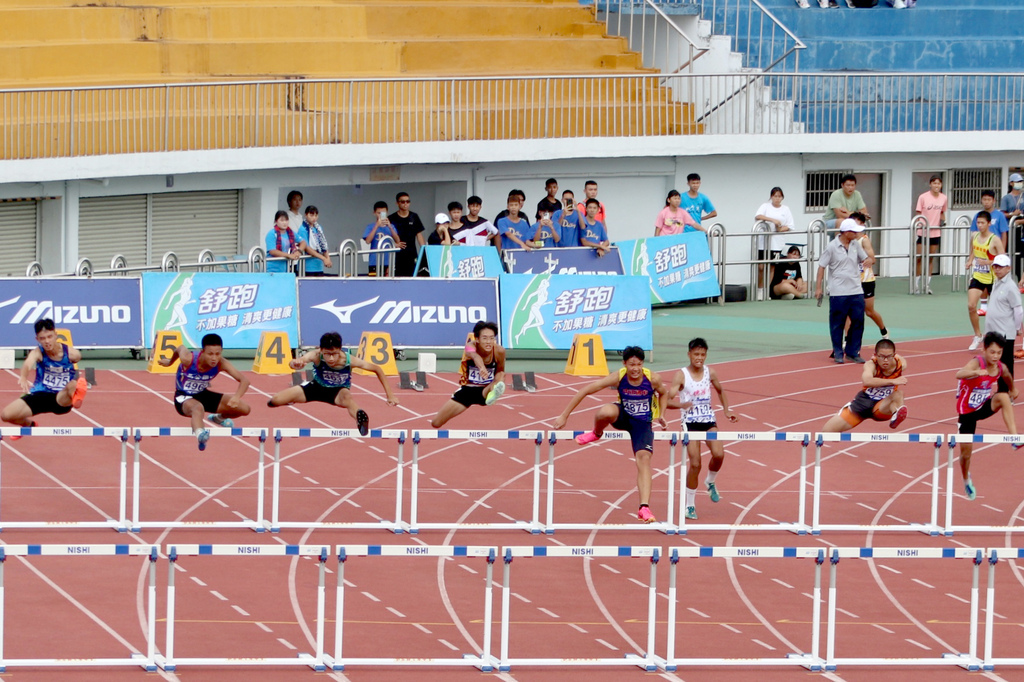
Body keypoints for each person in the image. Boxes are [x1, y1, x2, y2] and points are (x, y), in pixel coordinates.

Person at [552, 346, 668, 524]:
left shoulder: (652, 378)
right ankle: (596, 433)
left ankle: (643, 507)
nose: (635, 369)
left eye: (638, 364)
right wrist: (564, 415)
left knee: (644, 459)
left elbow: (664, 393)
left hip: (642, 423)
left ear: (642, 364)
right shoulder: (619, 376)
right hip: (622, 416)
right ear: (624, 364)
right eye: (631, 364)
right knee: (604, 412)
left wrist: (661, 414)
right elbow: (586, 390)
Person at [267, 332, 398, 436]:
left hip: (338, 392)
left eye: (334, 354)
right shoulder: (316, 355)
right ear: (321, 350)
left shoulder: (349, 360)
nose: (330, 358)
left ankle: (360, 417)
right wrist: (296, 363)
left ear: (340, 350)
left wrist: (390, 395)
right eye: (327, 354)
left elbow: (377, 369)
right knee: (274, 401)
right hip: (315, 388)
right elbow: (299, 360)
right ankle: (290, 400)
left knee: (347, 397)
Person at [666, 337, 737, 521]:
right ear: (689, 354)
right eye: (696, 354)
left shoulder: (710, 373)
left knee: (719, 454)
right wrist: (681, 406)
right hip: (689, 423)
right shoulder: (681, 375)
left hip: (708, 420)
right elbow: (667, 399)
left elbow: (720, 390)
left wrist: (727, 410)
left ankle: (710, 481)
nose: (699, 357)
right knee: (695, 463)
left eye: (703, 354)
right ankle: (689, 505)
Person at [955, 331, 1023, 501]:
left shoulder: (1000, 367)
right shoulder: (976, 362)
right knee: (965, 455)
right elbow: (959, 374)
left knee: (1003, 397)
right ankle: (966, 480)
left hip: (983, 406)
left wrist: (1013, 389)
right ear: (984, 349)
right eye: (992, 352)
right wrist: (976, 373)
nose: (995, 356)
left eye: (999, 353)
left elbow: (1007, 376)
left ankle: (1014, 438)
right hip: (967, 413)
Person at [158, 333, 251, 451]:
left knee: (244, 409)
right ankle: (201, 435)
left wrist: (237, 397)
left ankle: (218, 419)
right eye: (210, 354)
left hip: (202, 394)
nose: (214, 358)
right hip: (183, 396)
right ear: (202, 352)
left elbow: (245, 381)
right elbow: (180, 347)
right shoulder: (188, 359)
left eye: (218, 354)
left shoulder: (221, 363)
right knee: (198, 408)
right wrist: (170, 362)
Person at [1, 319, 88, 437]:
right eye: (42, 338)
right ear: (37, 339)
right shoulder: (38, 352)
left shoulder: (73, 354)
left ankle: (77, 395)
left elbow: (76, 361)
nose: (47, 341)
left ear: (55, 335)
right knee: (6, 415)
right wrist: (23, 376)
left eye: (49, 337)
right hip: (40, 395)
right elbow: (28, 364)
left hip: (60, 398)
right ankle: (29, 425)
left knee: (73, 384)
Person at [822, 339, 909, 433]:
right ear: (875, 355)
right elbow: (867, 381)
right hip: (863, 403)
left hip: (882, 405)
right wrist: (893, 381)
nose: (885, 360)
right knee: (826, 431)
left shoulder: (900, 364)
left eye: (889, 356)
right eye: (882, 356)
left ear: (894, 355)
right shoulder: (870, 365)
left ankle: (895, 414)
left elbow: (900, 358)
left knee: (899, 394)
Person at [429, 321, 506, 428]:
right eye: (485, 338)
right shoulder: (470, 346)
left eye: (491, 338)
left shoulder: (499, 351)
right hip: (467, 391)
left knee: (501, 377)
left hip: (486, 390)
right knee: (436, 423)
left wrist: (498, 381)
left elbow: (500, 370)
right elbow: (474, 356)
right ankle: (494, 391)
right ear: (477, 339)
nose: (489, 342)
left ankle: (494, 394)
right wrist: (482, 367)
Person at [815, 218, 869, 363]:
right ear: (846, 232)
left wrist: (869, 261)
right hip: (838, 292)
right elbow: (821, 267)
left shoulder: (856, 245)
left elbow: (865, 259)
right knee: (837, 323)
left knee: (858, 320)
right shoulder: (832, 247)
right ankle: (838, 352)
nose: (857, 234)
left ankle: (853, 351)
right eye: (854, 231)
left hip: (856, 290)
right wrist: (818, 288)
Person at [966, 211, 1005, 351]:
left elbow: (1003, 259)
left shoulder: (994, 239)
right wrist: (970, 260)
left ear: (989, 224)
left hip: (993, 278)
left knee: (998, 310)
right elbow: (973, 250)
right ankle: (977, 335)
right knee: (971, 306)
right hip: (978, 276)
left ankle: (1001, 335)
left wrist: (988, 261)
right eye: (978, 222)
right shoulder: (974, 236)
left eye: (983, 223)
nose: (980, 225)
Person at [984, 253, 1022, 393]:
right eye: (995, 267)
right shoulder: (996, 282)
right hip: (993, 331)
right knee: (994, 363)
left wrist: (1018, 328)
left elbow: (1018, 310)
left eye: (1001, 267)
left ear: (1008, 268)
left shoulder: (1011, 287)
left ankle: (1007, 392)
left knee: (1005, 364)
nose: (997, 270)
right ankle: (1000, 391)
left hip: (1005, 332)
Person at [850, 211, 889, 340]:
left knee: (869, 311)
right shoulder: (846, 240)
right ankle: (846, 340)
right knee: (848, 313)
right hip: (852, 281)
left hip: (866, 280)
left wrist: (867, 260)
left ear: (862, 225)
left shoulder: (864, 240)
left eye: (857, 223)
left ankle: (883, 330)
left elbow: (873, 259)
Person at [753, 187, 794, 299]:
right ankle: (759, 289)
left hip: (776, 243)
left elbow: (790, 226)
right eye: (775, 196)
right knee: (761, 266)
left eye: (779, 196)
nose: (777, 198)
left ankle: (766, 290)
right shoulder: (765, 206)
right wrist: (772, 220)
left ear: (782, 198)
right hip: (763, 242)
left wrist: (780, 229)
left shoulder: (786, 209)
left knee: (772, 267)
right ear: (771, 197)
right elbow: (758, 216)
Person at [913, 174, 947, 295]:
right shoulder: (923, 197)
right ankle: (916, 284)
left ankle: (927, 285)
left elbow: (942, 213)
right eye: (934, 183)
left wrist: (943, 221)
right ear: (930, 184)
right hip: (923, 231)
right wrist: (919, 225)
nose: (936, 185)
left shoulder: (943, 198)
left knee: (930, 258)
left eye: (938, 183)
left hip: (935, 232)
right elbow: (918, 213)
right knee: (920, 257)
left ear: (941, 185)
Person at [388, 192, 426, 277]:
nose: (405, 204)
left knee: (413, 277)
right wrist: (394, 244)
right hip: (397, 255)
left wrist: (424, 250)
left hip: (412, 254)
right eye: (403, 202)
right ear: (397, 203)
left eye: (407, 201)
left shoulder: (414, 216)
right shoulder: (391, 218)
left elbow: (419, 235)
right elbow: (387, 236)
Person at [362, 201, 401, 276]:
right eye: (378, 213)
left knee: (388, 283)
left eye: (383, 213)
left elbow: (398, 240)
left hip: (388, 261)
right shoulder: (370, 226)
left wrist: (389, 226)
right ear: (374, 213)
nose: (381, 215)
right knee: (373, 283)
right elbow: (368, 241)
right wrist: (376, 226)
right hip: (374, 261)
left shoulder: (391, 226)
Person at [297, 205, 332, 277]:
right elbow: (307, 248)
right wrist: (323, 258)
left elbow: (324, 244)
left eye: (316, 215)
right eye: (311, 215)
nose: (314, 218)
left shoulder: (318, 228)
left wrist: (328, 258)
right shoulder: (303, 229)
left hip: (318, 266)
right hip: (307, 267)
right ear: (306, 215)